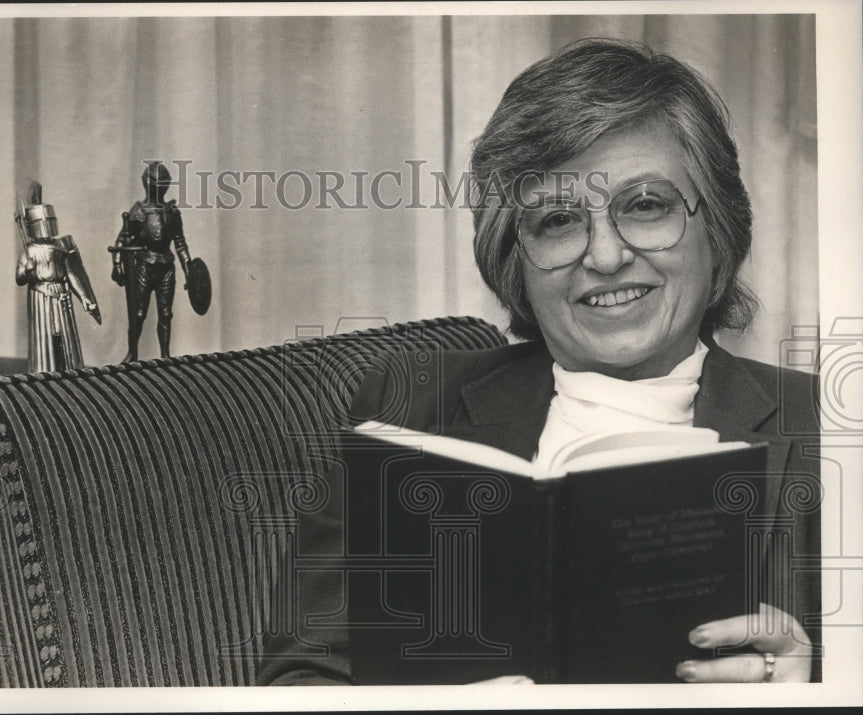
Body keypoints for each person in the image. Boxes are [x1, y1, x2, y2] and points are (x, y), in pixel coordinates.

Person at [256, 39, 820, 685]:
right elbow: (301, 679)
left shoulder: (826, 425)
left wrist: (817, 691)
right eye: (557, 219)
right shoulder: (409, 409)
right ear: (515, 261)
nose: (605, 256)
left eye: (645, 205)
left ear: (716, 230)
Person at [111, 162, 194, 361]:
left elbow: (180, 243)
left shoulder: (172, 213)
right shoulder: (138, 211)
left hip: (166, 265)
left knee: (165, 314)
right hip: (144, 265)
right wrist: (117, 264)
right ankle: (132, 353)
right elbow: (122, 239)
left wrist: (189, 268)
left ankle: (165, 355)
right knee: (138, 314)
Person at [15, 182, 101, 373]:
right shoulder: (29, 251)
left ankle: (68, 370)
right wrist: (28, 270)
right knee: (44, 336)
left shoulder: (60, 247)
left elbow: (71, 274)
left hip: (61, 294)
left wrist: (84, 297)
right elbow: (19, 279)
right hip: (41, 296)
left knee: (64, 336)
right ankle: (44, 371)